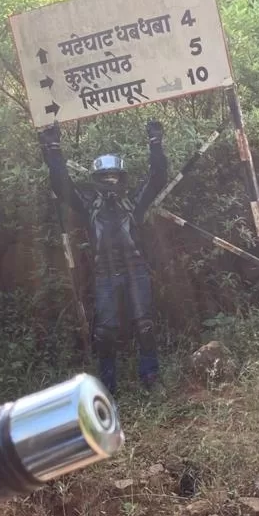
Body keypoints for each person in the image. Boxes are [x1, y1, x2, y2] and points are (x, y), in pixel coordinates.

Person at [39, 119, 168, 393]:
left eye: (115, 176)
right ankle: (107, 386)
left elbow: (158, 178)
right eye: (105, 177)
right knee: (105, 333)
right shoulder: (88, 206)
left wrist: (155, 143)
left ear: (122, 178)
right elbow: (61, 185)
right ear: (96, 180)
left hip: (136, 270)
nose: (111, 181)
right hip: (104, 275)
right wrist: (53, 148)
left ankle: (150, 377)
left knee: (145, 325)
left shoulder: (134, 202)